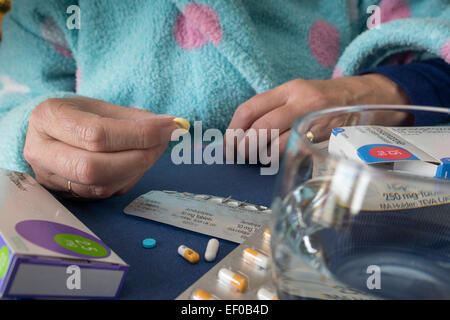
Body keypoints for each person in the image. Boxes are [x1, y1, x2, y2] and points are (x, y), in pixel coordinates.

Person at [0, 0, 449, 199]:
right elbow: (11, 106)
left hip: (338, 217)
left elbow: (437, 35)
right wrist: (34, 134)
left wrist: (382, 90)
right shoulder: (43, 11)